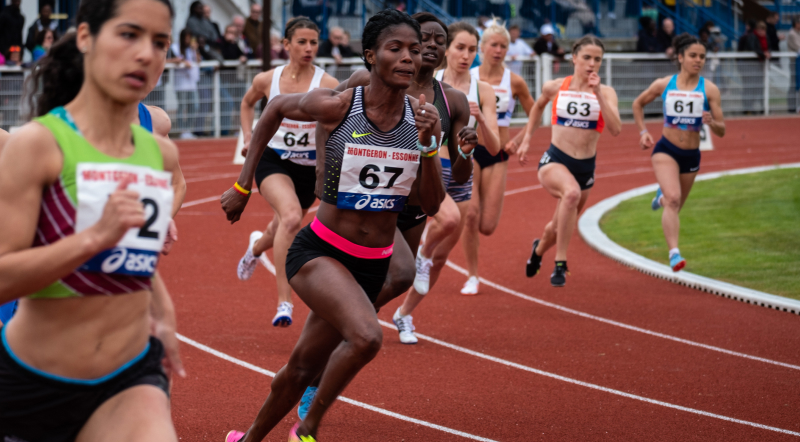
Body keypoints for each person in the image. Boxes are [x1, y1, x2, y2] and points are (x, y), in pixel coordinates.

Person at [221, 9, 444, 441]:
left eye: (414, 51)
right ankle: (308, 429)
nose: (407, 58)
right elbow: (274, 110)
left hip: (372, 262)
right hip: (321, 251)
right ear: (370, 55)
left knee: (302, 366)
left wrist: (432, 148)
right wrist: (242, 184)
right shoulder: (341, 105)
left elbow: (432, 203)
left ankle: (247, 440)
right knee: (366, 337)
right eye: (395, 49)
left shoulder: (421, 118)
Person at [0, 0, 185, 440]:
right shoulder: (37, 145)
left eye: (160, 42)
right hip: (34, 384)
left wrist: (165, 313)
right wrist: (94, 238)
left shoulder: (159, 152)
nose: (146, 54)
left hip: (128, 377)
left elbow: (127, 255)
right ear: (85, 37)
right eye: (129, 34)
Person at [396, 21, 499, 340]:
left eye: (471, 50)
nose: (465, 55)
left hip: (462, 173)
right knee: (445, 223)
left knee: (439, 258)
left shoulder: (482, 90)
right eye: (459, 47)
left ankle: (403, 315)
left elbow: (494, 148)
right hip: (431, 170)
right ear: (446, 49)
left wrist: (479, 119)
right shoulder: (431, 79)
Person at [236, 17, 339, 328]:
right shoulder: (268, 79)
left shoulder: (328, 85)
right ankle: (284, 301)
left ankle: (256, 247)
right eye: (302, 42)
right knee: (292, 217)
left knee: (280, 226)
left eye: (313, 42)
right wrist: (248, 136)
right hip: (274, 161)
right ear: (286, 45)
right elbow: (247, 103)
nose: (309, 49)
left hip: (309, 169)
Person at [518, 35, 622, 287]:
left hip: (585, 166)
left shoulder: (606, 92)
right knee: (571, 194)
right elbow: (537, 106)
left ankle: (538, 250)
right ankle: (561, 264)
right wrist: (526, 139)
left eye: (597, 59)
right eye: (586, 57)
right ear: (574, 58)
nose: (592, 64)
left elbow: (616, 128)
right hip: (555, 159)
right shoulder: (556, 86)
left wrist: (597, 93)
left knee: (556, 227)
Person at [632, 33, 725, 271]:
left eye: (702, 57)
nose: (698, 60)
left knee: (674, 204)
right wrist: (643, 131)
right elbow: (637, 103)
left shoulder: (710, 89)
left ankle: (659, 198)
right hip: (666, 150)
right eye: (693, 55)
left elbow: (722, 130)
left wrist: (712, 123)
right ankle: (674, 254)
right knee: (674, 200)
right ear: (681, 57)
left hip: (691, 156)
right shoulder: (664, 84)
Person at [462, 20, 536, 294]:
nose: (498, 50)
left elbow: (536, 113)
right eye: (493, 44)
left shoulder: (513, 81)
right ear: (481, 48)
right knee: (470, 216)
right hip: (470, 151)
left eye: (503, 46)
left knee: (487, 225)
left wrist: (520, 139)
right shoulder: (469, 76)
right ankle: (472, 275)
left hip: (499, 152)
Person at [172, 29, 201, 139]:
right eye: (186, 37)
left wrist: (195, 50)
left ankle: (188, 129)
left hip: (192, 82)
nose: (188, 40)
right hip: (181, 83)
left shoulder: (191, 49)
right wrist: (184, 62)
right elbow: (175, 59)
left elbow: (198, 61)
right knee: (182, 106)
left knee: (194, 105)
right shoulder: (175, 47)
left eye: (190, 38)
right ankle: (182, 130)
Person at [738, 20, 769, 114]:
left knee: (758, 88)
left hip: (760, 66)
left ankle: (760, 107)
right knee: (749, 88)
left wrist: (767, 53)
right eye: (760, 30)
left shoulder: (765, 38)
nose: (761, 32)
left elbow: (769, 47)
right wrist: (764, 54)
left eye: (763, 30)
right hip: (750, 66)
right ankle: (747, 108)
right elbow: (753, 48)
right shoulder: (751, 37)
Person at [787, 18, 800, 112]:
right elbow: (797, 46)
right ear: (796, 24)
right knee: (793, 84)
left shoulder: (798, 33)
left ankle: (796, 105)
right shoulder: (792, 33)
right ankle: (791, 106)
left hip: (798, 62)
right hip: (794, 62)